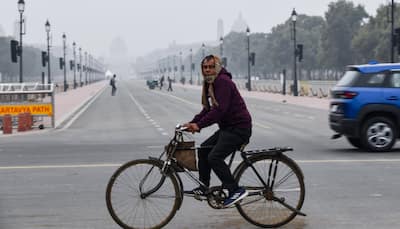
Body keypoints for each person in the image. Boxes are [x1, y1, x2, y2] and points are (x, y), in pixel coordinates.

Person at [183, 55, 252, 207]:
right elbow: (207, 109)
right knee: (203, 150)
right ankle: (204, 187)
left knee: (214, 157)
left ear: (218, 67)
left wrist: (199, 126)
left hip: (239, 128)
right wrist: (192, 123)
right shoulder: (210, 83)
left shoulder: (223, 82)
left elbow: (219, 111)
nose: (207, 70)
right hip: (228, 128)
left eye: (211, 67)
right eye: (205, 67)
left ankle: (235, 190)